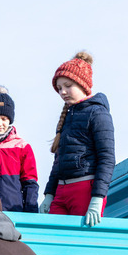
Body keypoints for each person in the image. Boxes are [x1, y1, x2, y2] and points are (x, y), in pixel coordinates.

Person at [39, 52, 116, 226]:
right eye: (59, 88)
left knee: (79, 247)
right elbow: (58, 162)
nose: (62, 92)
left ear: (82, 84)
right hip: (61, 191)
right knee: (53, 241)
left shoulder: (98, 113)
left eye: (67, 85)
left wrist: (97, 198)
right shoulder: (67, 117)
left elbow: (107, 158)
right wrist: (49, 194)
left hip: (84, 190)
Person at [0, 85, 38, 213]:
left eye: (4, 119)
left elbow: (30, 182)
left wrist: (31, 211)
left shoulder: (22, 147)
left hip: (13, 210)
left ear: (10, 120)